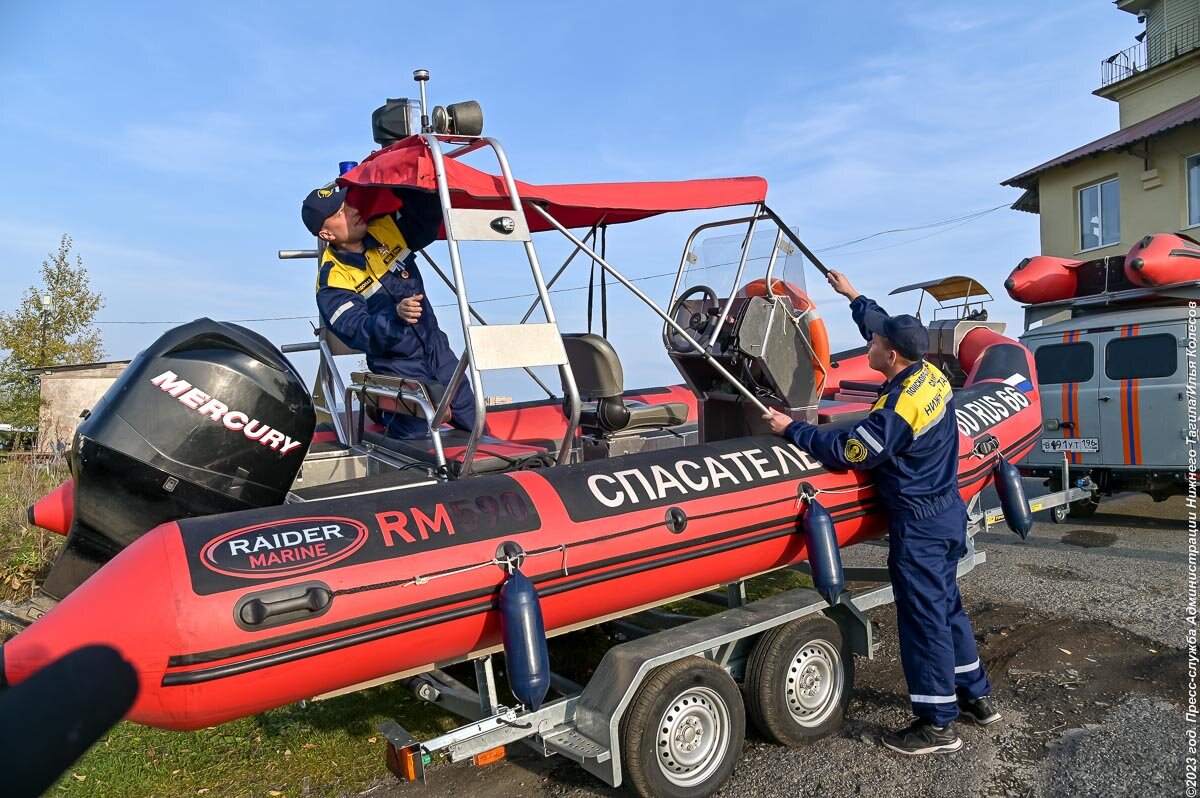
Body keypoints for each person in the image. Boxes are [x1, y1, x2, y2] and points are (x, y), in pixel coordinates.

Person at [762, 269, 1000, 756]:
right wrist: (852, 296)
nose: (868, 341)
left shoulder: (899, 406)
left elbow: (855, 450)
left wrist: (792, 430)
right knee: (947, 605)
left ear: (889, 355)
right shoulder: (930, 375)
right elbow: (880, 321)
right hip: (947, 509)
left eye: (873, 340)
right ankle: (974, 695)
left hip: (920, 524)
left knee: (923, 619)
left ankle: (937, 725)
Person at [302, 185, 477, 438]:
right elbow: (356, 330)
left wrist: (402, 174)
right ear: (327, 234)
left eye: (348, 203)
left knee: (473, 419)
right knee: (415, 433)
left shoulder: (385, 228)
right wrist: (395, 316)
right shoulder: (333, 279)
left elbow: (426, 216)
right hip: (395, 366)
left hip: (437, 348)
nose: (352, 211)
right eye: (340, 212)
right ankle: (383, 413)